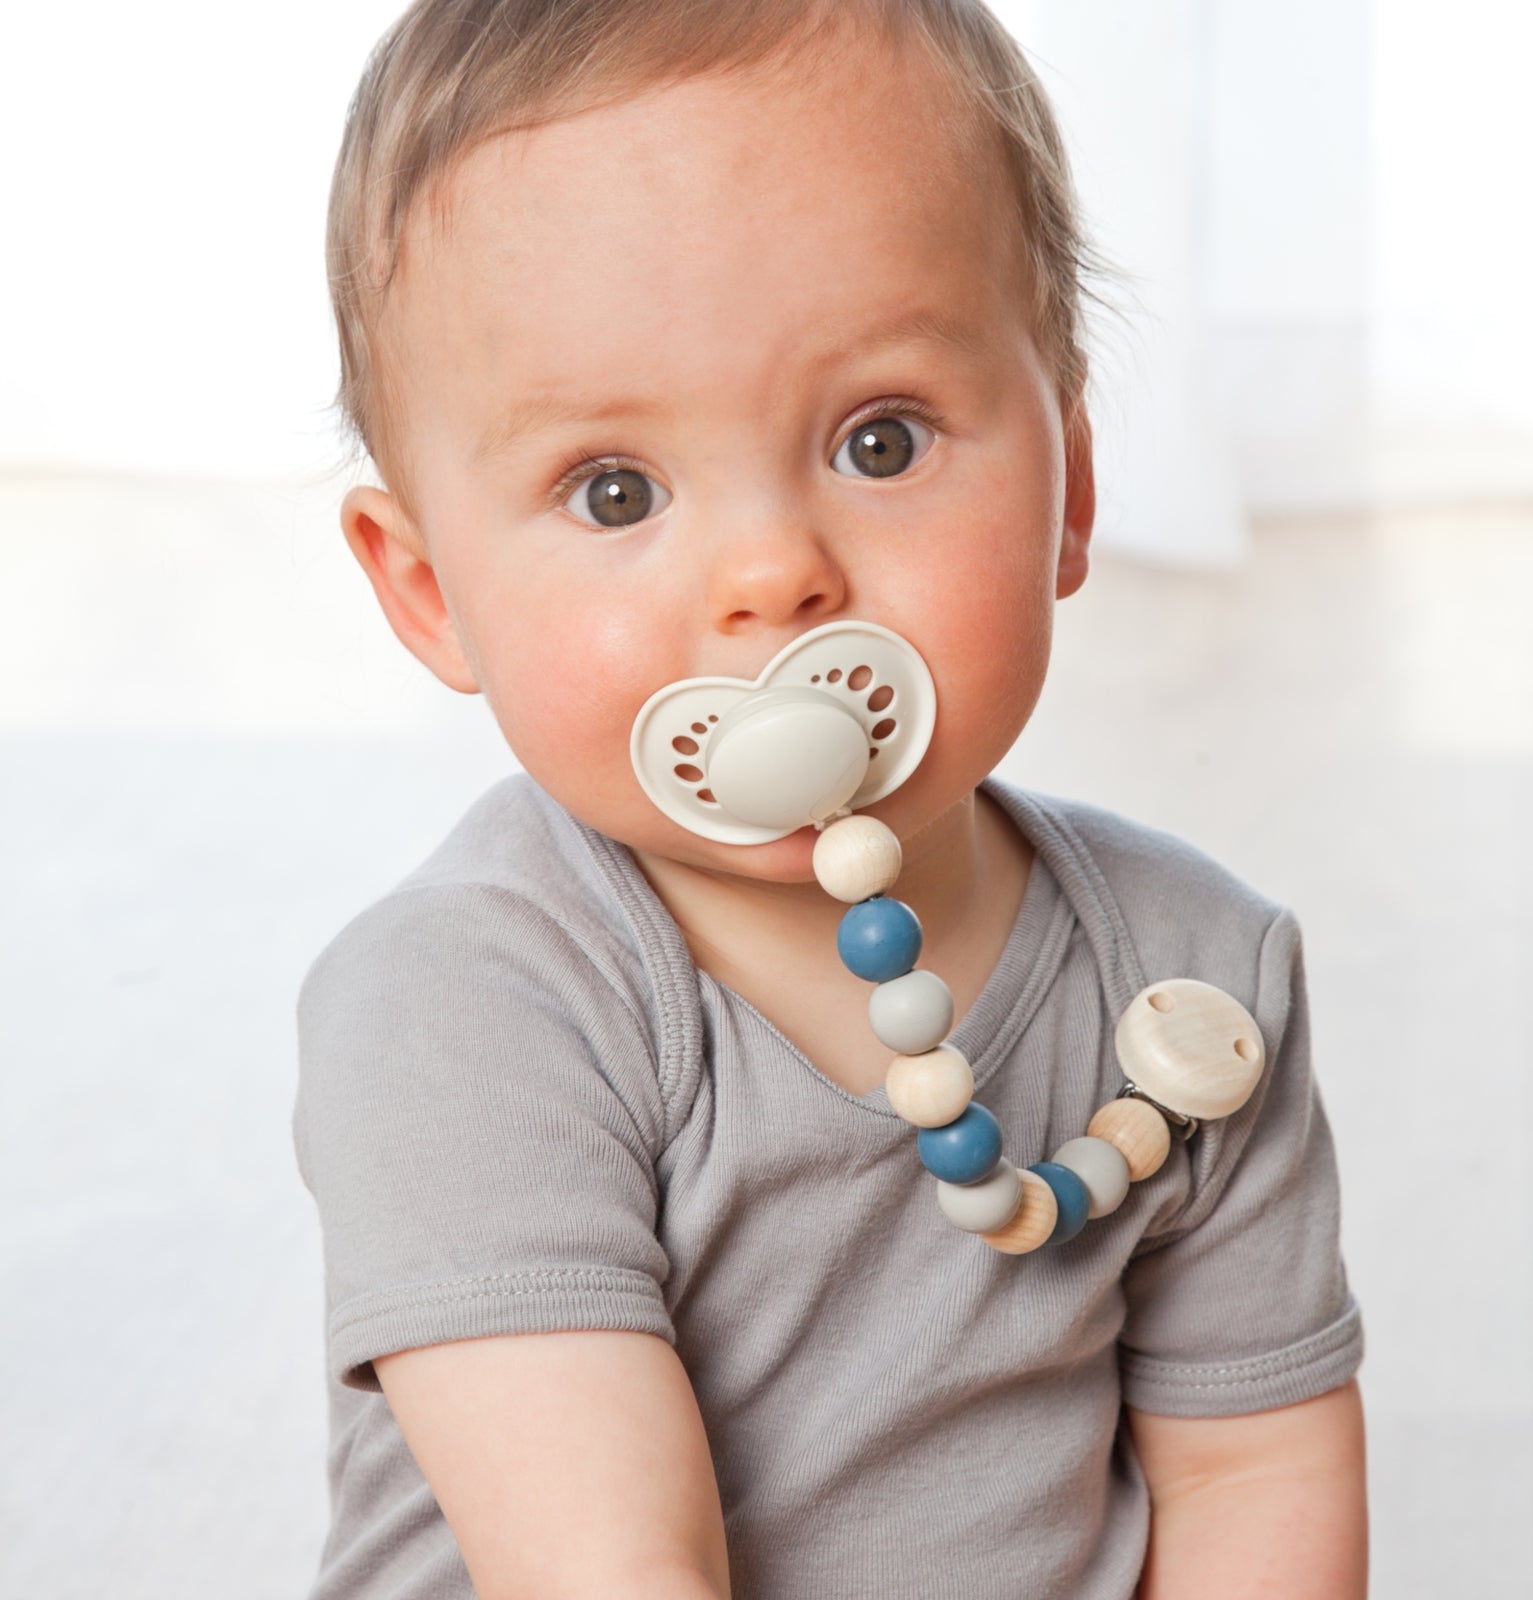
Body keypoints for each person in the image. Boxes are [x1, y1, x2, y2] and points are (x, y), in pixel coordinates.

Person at [293, 1, 1368, 1595]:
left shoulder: (1198, 981)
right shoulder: (466, 1013)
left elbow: (1255, 1465)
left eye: (881, 439)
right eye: (615, 490)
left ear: (1069, 485)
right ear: (430, 588)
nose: (772, 574)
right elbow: (611, 1563)